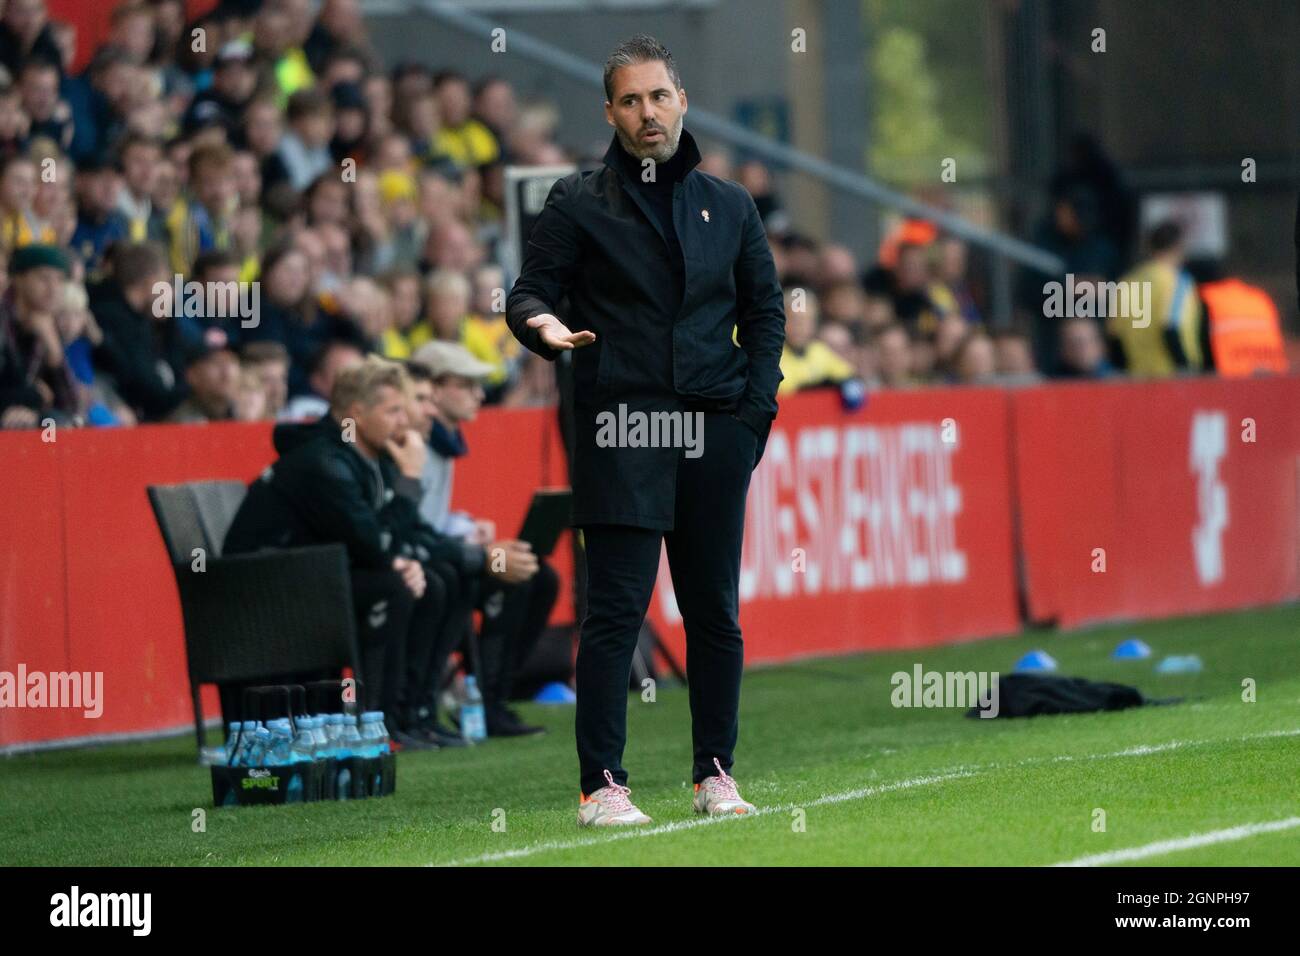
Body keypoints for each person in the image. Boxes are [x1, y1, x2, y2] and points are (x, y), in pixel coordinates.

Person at [506, 34, 784, 826]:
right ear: (610, 113)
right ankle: (602, 787)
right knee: (616, 611)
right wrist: (546, 330)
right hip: (622, 424)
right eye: (630, 101)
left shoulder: (728, 204)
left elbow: (765, 312)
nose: (646, 112)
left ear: (682, 100)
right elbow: (527, 294)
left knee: (715, 612)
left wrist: (751, 416)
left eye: (658, 96)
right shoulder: (577, 201)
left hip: (715, 426)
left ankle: (715, 776)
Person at [222, 356, 534, 747]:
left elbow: (402, 532)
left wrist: (472, 556)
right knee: (399, 585)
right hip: (264, 597)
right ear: (356, 413)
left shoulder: (366, 456)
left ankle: (412, 715)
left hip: (312, 580)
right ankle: (380, 722)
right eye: (393, 411)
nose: (405, 422)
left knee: (441, 579)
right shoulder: (325, 462)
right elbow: (374, 542)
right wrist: (409, 487)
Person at [408, 343, 559, 737]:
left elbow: (427, 519)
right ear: (435, 390)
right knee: (514, 575)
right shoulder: (418, 443)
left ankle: (493, 694)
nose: (479, 394)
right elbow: (410, 528)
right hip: (427, 564)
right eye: (467, 384)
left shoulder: (442, 440)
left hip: (442, 554)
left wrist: (465, 526)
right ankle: (482, 699)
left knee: (539, 576)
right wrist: (475, 546)